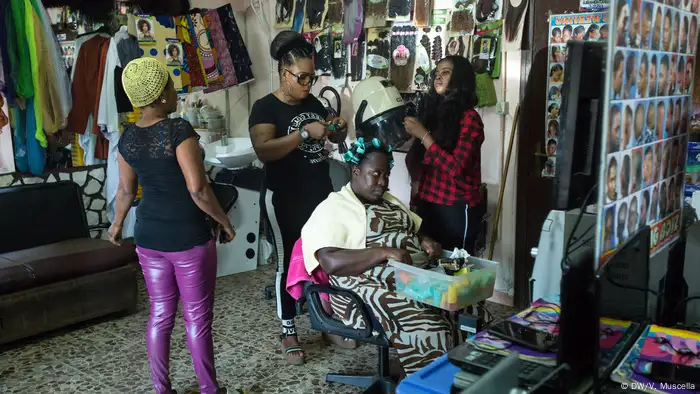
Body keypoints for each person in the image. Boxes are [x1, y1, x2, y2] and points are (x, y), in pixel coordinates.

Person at [109, 58, 235, 394]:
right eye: (169, 84)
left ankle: (161, 389)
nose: (174, 89)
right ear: (161, 95)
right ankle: (209, 389)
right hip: (187, 237)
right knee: (196, 318)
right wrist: (224, 221)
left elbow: (125, 190)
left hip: (148, 236)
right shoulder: (178, 131)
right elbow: (198, 188)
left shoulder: (128, 139)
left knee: (160, 314)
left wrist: (117, 224)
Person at [302, 139, 453, 375]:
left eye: (387, 175)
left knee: (452, 309)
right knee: (427, 325)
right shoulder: (333, 207)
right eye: (376, 174)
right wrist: (382, 252)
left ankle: (424, 373)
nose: (383, 182)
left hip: (404, 275)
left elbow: (413, 227)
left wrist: (424, 239)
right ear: (356, 171)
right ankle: (424, 385)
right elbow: (330, 262)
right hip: (358, 285)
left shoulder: (389, 202)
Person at [248, 31, 348, 365]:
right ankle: (288, 329)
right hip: (284, 198)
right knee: (286, 263)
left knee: (323, 259)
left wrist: (336, 129)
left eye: (311, 77)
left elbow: (328, 140)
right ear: (283, 72)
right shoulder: (265, 107)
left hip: (319, 194)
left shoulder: (313, 103)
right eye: (301, 77)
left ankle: (325, 322)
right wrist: (303, 132)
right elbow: (264, 150)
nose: (307, 83)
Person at [405, 56, 485, 254]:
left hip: (455, 209)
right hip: (428, 204)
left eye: (446, 72)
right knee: (427, 265)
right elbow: (416, 162)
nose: (438, 77)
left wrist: (424, 135)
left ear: (460, 79)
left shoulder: (470, 118)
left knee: (455, 267)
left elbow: (457, 168)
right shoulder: (432, 113)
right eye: (437, 72)